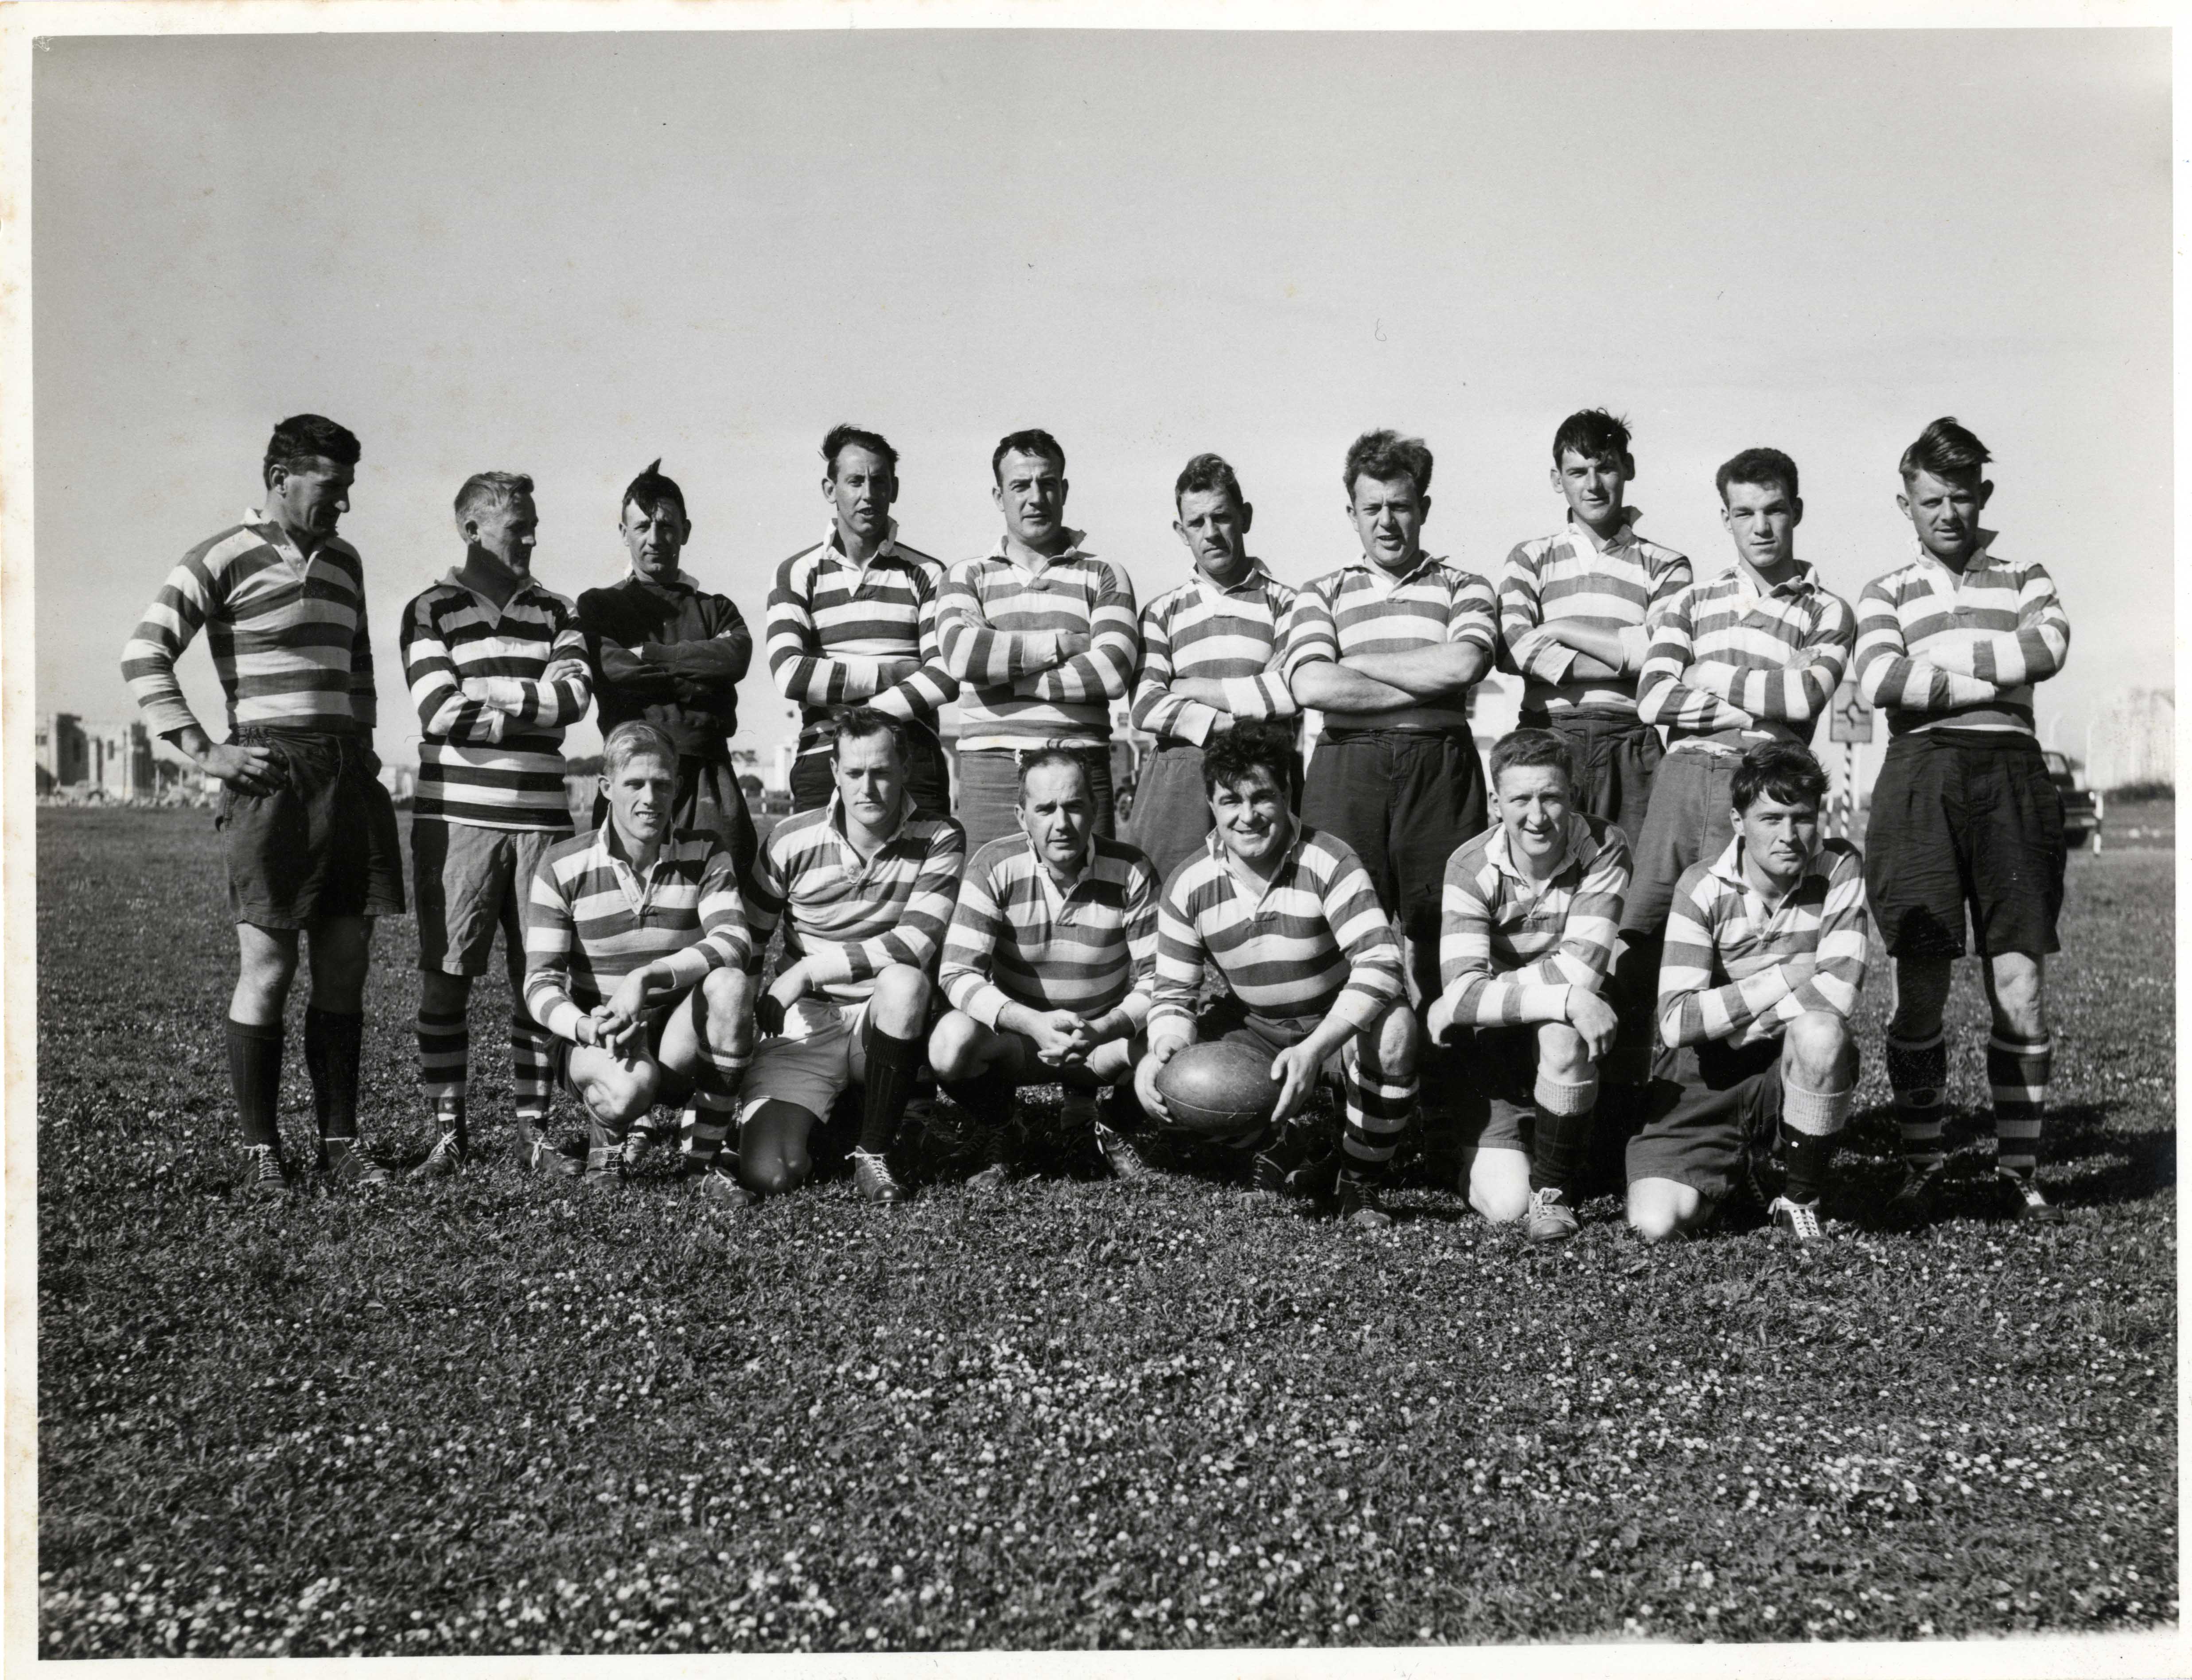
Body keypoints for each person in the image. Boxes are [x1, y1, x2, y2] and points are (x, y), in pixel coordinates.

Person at [120, 414, 403, 1194]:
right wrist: (206, 749)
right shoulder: (222, 554)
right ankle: (260, 1151)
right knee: (270, 966)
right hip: (271, 773)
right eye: (331, 486)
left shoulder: (345, 560)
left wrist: (364, 746)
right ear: (281, 478)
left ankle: (340, 1145)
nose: (344, 503)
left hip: (345, 772)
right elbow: (143, 652)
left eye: (349, 488)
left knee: (345, 962)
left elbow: (360, 662)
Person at [1855, 417, 2074, 1227]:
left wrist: (1938, 664)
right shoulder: (1884, 590)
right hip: (1920, 776)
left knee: (2019, 982)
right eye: (1930, 501)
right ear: (1905, 505)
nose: (1947, 514)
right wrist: (1993, 670)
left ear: (1982, 495)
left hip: (2012, 776)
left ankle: (2018, 1170)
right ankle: (1923, 1164)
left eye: (1960, 497)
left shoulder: (2024, 576)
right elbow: (1880, 678)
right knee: (1919, 982)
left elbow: (2048, 648)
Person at [1611, 447, 1857, 1081]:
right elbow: (1652, 699)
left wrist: (1706, 674)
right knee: (1640, 941)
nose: (1761, 526)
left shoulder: (1826, 610)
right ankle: (1631, 1106)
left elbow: (1802, 698)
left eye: (1774, 510)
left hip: (1759, 784)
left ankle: (1737, 1099)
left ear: (1796, 510)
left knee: (1735, 939)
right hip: (1681, 778)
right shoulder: (1691, 601)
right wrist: (1759, 700)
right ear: (1726, 518)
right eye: (1744, 513)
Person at [1132, 722, 1419, 1229]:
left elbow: (1381, 963)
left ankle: (1359, 1179)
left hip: (1335, 1027)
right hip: (1259, 1028)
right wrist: (1164, 1048)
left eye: (1262, 797)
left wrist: (1313, 1050)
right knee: (1175, 1077)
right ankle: (1282, 1140)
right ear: (1211, 804)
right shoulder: (1188, 882)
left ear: (1286, 793)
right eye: (1230, 801)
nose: (1247, 817)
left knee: (1396, 1027)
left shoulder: (1329, 858)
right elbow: (1173, 994)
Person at [400, 471, 593, 1178]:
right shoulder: (430, 608)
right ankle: (448, 1135)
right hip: (456, 824)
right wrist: (530, 706)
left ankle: (533, 1134)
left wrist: (486, 690)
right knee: (447, 979)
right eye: (518, 528)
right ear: (472, 529)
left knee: (538, 978)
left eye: (534, 525)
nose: (532, 538)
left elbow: (575, 699)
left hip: (543, 825)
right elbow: (438, 711)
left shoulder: (558, 610)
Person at [1283, 428, 1498, 1008]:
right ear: (1350, 513)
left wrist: (1354, 663)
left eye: (1399, 506)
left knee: (1440, 929)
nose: (1386, 522)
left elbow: (1463, 663)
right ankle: (1349, 1061)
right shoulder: (1321, 591)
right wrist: (1424, 679)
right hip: (1346, 769)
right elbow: (1311, 684)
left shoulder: (1465, 585)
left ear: (1422, 507)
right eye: (1371, 508)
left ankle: (1436, 1056)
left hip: (1440, 769)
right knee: (1342, 923)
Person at [1625, 743, 1869, 1245]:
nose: (1788, 836)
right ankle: (1737, 1171)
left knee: (1821, 1033)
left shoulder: (1838, 866)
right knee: (1655, 1223)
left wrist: (1745, 1029)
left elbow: (1839, 990)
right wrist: (1786, 975)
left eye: (1802, 818)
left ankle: (1799, 1199)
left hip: (1780, 1059)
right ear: (1738, 821)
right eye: (1770, 818)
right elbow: (1676, 1022)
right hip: (1703, 1073)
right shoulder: (1701, 885)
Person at [737, 708, 966, 1205]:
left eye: (881, 772)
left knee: (906, 981)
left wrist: (806, 970)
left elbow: (915, 942)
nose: (868, 788)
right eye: (855, 772)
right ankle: (846, 1114)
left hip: (880, 1017)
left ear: (905, 768)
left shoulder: (939, 835)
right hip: (807, 1021)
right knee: (769, 1174)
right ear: (835, 772)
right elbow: (748, 943)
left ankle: (873, 1152)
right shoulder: (790, 838)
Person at [523, 721, 757, 1193]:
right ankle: (606, 1144)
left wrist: (646, 977)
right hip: (599, 1035)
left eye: (662, 784)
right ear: (606, 787)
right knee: (629, 1087)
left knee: (731, 984)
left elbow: (735, 941)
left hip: (675, 1038)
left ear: (678, 786)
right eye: (635, 784)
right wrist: (588, 1027)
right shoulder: (562, 864)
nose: (650, 798)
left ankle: (703, 1165)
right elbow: (539, 983)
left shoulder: (706, 851)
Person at [1425, 729, 1632, 1245]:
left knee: (1564, 1030)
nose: (1537, 816)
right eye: (1520, 799)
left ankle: (1554, 1189)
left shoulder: (1605, 845)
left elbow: (1580, 974)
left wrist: (1477, 995)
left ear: (1572, 795)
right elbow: (1469, 995)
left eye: (1551, 797)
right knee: (1504, 1206)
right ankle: (1470, 1146)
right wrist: (1561, 996)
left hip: (1548, 1026)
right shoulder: (1469, 865)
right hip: (1493, 1045)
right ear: (1496, 803)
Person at [930, 751, 1161, 1183]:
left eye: (1074, 806)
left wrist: (1103, 1028)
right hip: (1020, 1043)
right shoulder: (994, 864)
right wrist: (1032, 1023)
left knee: (1173, 1041)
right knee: (949, 1042)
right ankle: (1003, 1124)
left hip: (1101, 1043)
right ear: (1022, 816)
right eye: (1045, 809)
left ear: (1095, 808)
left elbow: (1161, 980)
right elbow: (956, 973)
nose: (1062, 823)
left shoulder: (1131, 869)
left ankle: (1113, 1125)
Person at [938, 429, 1140, 850]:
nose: (1035, 498)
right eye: (1020, 486)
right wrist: (1067, 644)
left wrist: (1000, 669)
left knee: (1092, 888)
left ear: (1063, 490)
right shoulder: (966, 575)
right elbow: (962, 657)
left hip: (1081, 766)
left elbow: (1112, 671)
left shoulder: (1105, 573)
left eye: (1047, 483)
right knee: (988, 886)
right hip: (990, 772)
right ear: (998, 497)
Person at [1496, 408, 1691, 829]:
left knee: (1631, 866)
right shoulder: (1530, 557)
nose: (1593, 485)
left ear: (1628, 468)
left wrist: (1559, 630)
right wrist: (1624, 655)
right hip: (1547, 735)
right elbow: (1515, 648)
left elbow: (1660, 655)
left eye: (1605, 468)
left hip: (1631, 740)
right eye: (1577, 472)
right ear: (1557, 479)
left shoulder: (1667, 564)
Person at [576, 459, 758, 884]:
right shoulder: (599, 605)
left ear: (686, 531)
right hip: (631, 774)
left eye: (666, 526)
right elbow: (613, 670)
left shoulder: (716, 608)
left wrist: (651, 654)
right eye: (642, 527)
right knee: (623, 891)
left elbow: (735, 659)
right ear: (624, 532)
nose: (655, 539)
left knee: (723, 889)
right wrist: (703, 685)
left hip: (710, 777)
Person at [1125, 452, 1300, 883]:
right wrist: (1247, 703)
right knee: (1170, 898)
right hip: (1178, 783)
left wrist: (1187, 688)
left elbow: (1289, 693)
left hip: (1261, 778)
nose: (1211, 533)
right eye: (1196, 522)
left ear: (1245, 517)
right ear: (1180, 531)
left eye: (1221, 517)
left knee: (1269, 897)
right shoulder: (1161, 611)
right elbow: (1145, 706)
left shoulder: (1289, 605)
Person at [767, 426, 957, 816]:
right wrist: (892, 674)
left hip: (911, 754)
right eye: (855, 481)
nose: (868, 494)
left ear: (894, 489)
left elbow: (943, 676)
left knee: (929, 855)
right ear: (830, 489)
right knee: (812, 857)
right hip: (824, 755)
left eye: (879, 481)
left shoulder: (928, 573)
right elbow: (790, 675)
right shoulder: (797, 572)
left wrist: (859, 718)